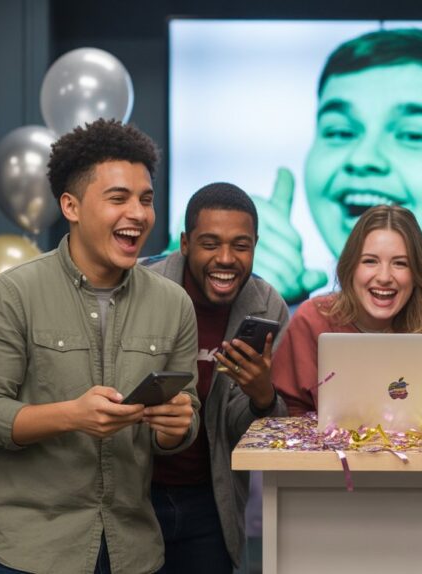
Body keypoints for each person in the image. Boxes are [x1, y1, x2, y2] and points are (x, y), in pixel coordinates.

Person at [0, 119, 198, 573]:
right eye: (118, 198)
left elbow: (184, 424)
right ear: (70, 205)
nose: (140, 213)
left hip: (133, 550)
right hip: (30, 553)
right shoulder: (9, 296)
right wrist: (73, 416)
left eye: (146, 199)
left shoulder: (173, 304)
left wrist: (175, 425)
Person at [252, 28, 422, 302]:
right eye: (340, 132)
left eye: (414, 135)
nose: (361, 159)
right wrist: (256, 306)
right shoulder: (294, 317)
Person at [145, 182, 289, 572]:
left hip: (211, 498)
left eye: (241, 246)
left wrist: (262, 397)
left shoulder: (267, 306)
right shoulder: (143, 291)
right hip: (135, 495)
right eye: (210, 244)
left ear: (255, 245)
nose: (226, 258)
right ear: (185, 243)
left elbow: (247, 433)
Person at [272, 204, 422, 415]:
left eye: (400, 263)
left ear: (416, 273)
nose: (384, 277)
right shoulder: (312, 319)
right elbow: (286, 412)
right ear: (351, 268)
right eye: (370, 261)